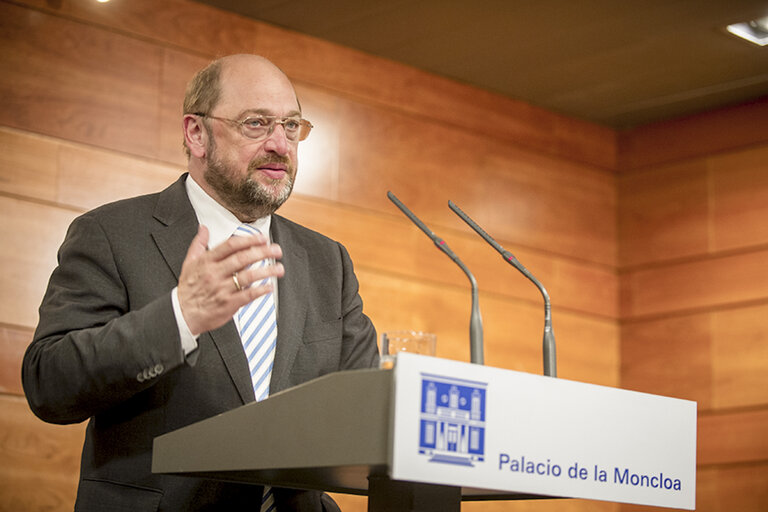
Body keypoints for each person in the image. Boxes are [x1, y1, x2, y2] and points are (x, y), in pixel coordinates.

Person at [22, 54, 379, 511]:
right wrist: (179, 319)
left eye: (291, 126)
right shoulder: (113, 234)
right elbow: (48, 384)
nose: (280, 145)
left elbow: (364, 408)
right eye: (256, 123)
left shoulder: (329, 261)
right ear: (196, 133)